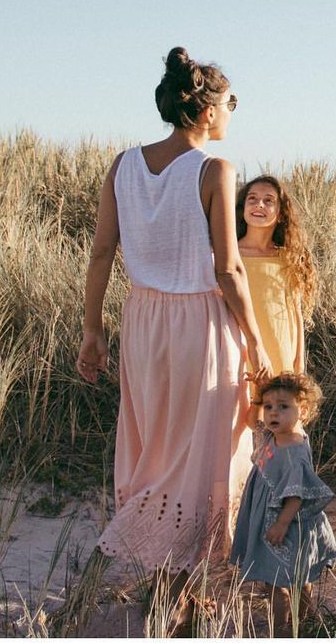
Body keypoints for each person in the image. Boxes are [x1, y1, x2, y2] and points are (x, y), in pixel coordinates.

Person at [75, 46, 272, 624]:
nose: (234, 112)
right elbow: (229, 270)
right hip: (201, 325)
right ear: (208, 110)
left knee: (154, 447)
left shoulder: (122, 165)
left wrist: (93, 331)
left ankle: (167, 583)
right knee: (204, 450)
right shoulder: (215, 170)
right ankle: (175, 591)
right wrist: (256, 341)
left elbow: (101, 255)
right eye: (231, 102)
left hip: (143, 322)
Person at [230, 372, 336, 636]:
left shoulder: (294, 451)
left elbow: (296, 495)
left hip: (286, 522)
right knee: (285, 578)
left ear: (302, 411)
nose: (272, 413)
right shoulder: (272, 434)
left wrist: (281, 523)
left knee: (280, 580)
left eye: (283, 406)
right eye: (268, 407)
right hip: (269, 515)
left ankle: (283, 629)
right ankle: (305, 620)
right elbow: (249, 420)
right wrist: (257, 391)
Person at [236, 175, 316, 375]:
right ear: (242, 208)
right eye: (252, 199)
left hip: (280, 348)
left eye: (268, 200)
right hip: (238, 349)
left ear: (281, 213)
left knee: (277, 405)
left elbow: (295, 313)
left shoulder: (288, 257)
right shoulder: (228, 255)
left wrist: (299, 365)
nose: (259, 205)